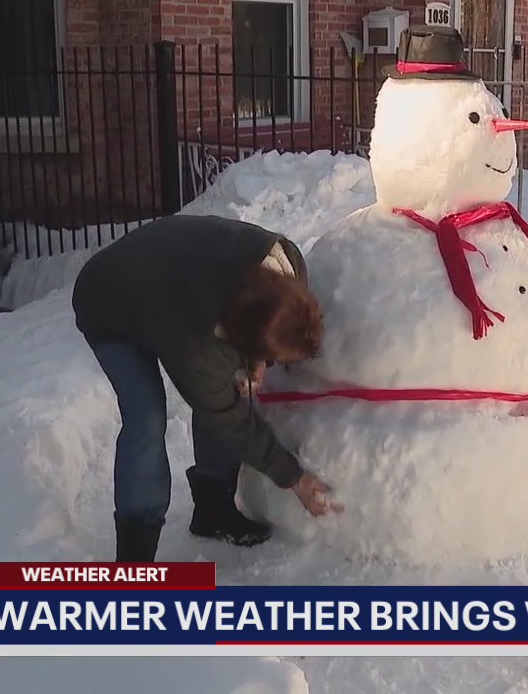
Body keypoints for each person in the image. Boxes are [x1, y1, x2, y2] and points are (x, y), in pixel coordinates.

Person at [71, 214, 341, 563]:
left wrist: (258, 361)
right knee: (147, 416)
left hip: (169, 275)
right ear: (242, 335)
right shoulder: (198, 348)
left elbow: (266, 327)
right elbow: (230, 421)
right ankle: (135, 557)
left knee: (229, 384)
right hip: (109, 299)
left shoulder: (286, 262)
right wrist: (293, 478)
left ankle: (213, 511)